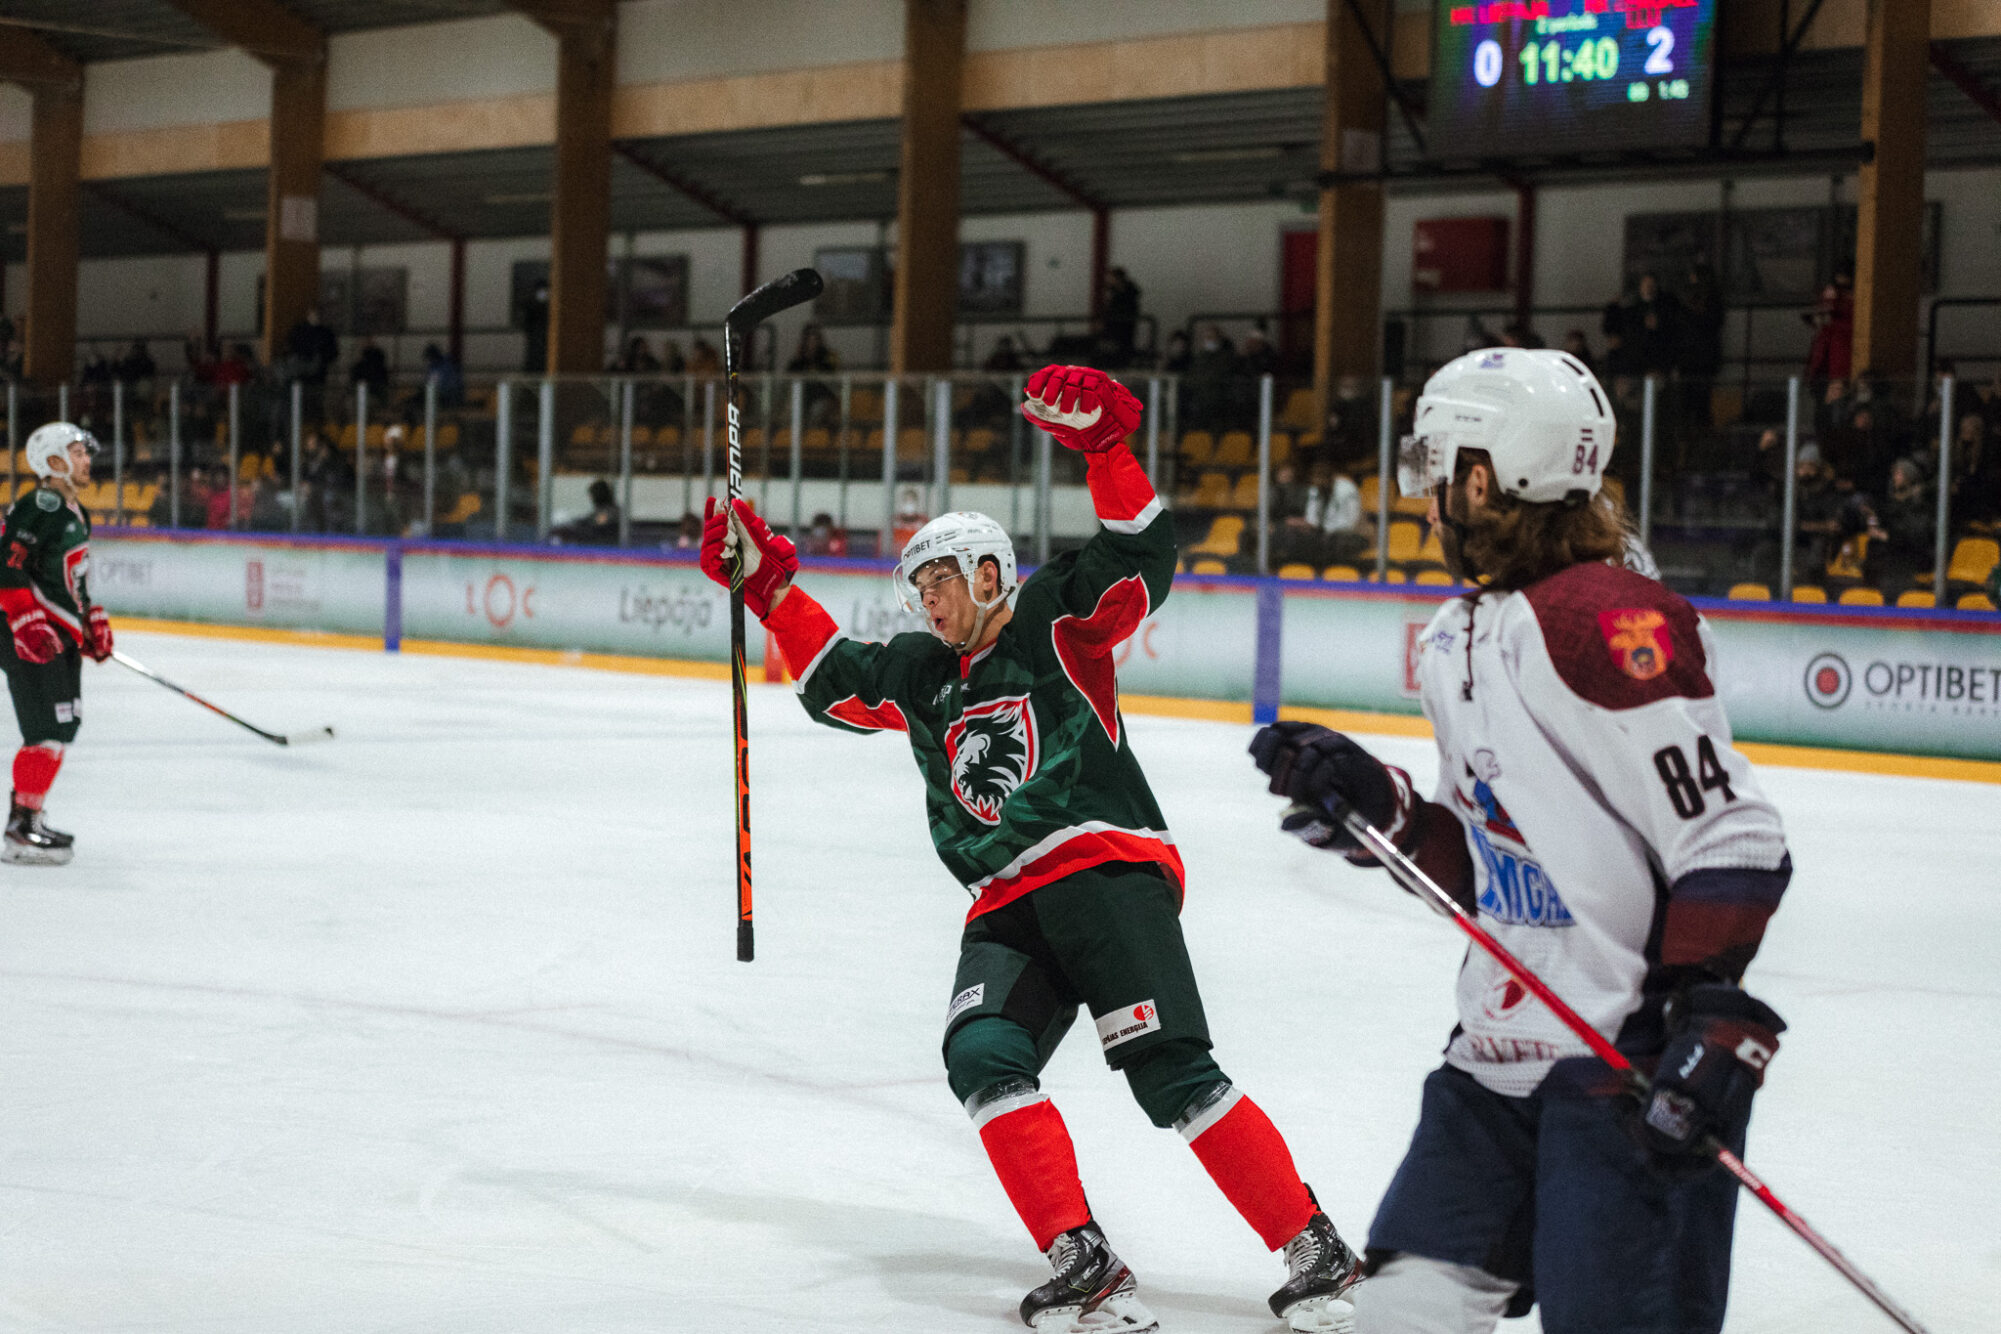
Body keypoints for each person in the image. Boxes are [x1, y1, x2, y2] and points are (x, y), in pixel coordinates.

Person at [698, 365, 1363, 1333]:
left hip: (1101, 869)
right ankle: (1082, 1262)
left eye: (940, 579)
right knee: (982, 1052)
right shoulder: (923, 673)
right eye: (917, 585)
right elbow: (837, 682)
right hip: (1004, 903)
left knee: (1170, 1073)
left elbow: (1140, 557)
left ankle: (1316, 1249)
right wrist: (767, 589)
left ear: (988, 573)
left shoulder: (1055, 621)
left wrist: (1107, 451)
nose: (927, 599)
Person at [1250, 347, 1793, 1334]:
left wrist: (1707, 1026)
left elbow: (1733, 834)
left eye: (1437, 471)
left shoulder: (1604, 619)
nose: (1425, 502)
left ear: (1483, 476)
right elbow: (1488, 861)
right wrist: (1381, 811)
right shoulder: (1458, 636)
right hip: (1491, 1060)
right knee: (1402, 1309)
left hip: (1624, 1066)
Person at [0, 423, 115, 864]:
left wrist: (90, 621)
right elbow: (7, 565)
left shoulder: (76, 512)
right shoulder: (41, 505)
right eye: (78, 453)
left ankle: (29, 818)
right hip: (28, 637)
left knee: (61, 730)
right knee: (44, 730)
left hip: (57, 636)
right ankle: (20, 832)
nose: (87, 460)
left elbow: (73, 581)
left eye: (86, 453)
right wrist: (25, 621)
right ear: (54, 461)